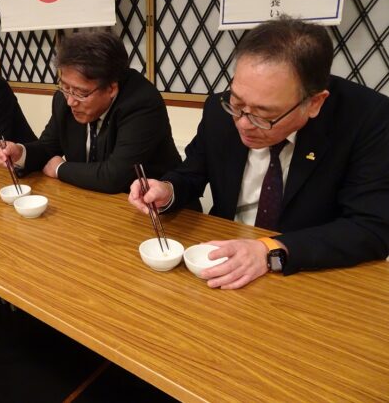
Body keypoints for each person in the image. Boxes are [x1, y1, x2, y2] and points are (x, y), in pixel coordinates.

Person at [129, 16, 389, 289]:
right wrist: (167, 190)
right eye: (237, 103)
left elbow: (371, 227)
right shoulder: (220, 110)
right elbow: (192, 171)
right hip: (224, 257)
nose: (243, 123)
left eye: (264, 116)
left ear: (314, 103)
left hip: (310, 275)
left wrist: (270, 251)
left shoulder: (367, 119)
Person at [0, 31, 181, 194]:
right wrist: (19, 153)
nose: (71, 101)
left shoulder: (141, 104)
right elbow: (48, 147)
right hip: (89, 199)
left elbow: (115, 176)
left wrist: (60, 168)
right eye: (65, 87)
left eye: (81, 93)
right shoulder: (64, 99)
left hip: (150, 207)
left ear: (111, 89)